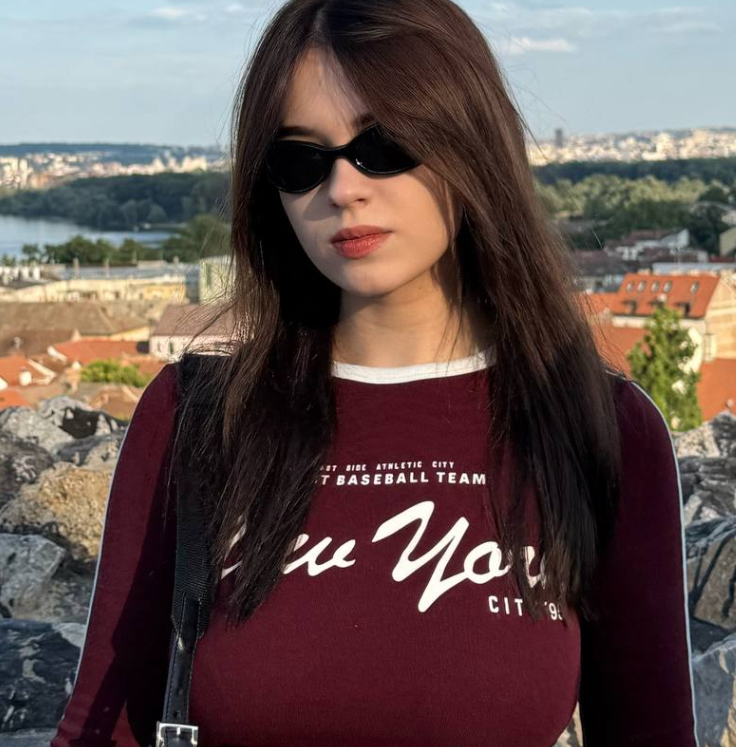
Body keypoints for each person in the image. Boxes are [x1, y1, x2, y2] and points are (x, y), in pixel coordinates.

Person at [50, 0, 700, 745]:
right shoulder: (197, 417)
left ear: (470, 142)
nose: (343, 188)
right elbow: (105, 725)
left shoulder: (598, 428)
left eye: (384, 145)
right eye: (302, 160)